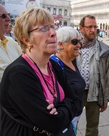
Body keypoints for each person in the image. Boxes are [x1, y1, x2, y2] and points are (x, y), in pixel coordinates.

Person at [0, 7, 82, 136]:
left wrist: (60, 109)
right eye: (43, 28)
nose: (53, 33)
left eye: (52, 26)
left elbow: (77, 102)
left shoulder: (53, 65)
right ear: (26, 39)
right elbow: (53, 123)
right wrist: (66, 105)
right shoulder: (18, 74)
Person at [76, 15, 109, 136]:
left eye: (95, 27)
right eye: (89, 27)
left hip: (94, 93)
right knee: (70, 124)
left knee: (92, 127)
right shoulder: (73, 47)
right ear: (81, 28)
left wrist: (106, 98)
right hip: (75, 93)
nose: (93, 30)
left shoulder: (103, 49)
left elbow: (108, 75)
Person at [50, 26, 86, 134]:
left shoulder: (73, 59)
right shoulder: (54, 65)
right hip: (66, 119)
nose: (79, 45)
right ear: (61, 44)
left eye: (79, 41)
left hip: (75, 116)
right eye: (74, 42)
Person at [0, 4, 22, 130]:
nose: (8, 18)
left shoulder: (12, 43)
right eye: (3, 16)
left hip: (15, 110)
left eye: (8, 15)